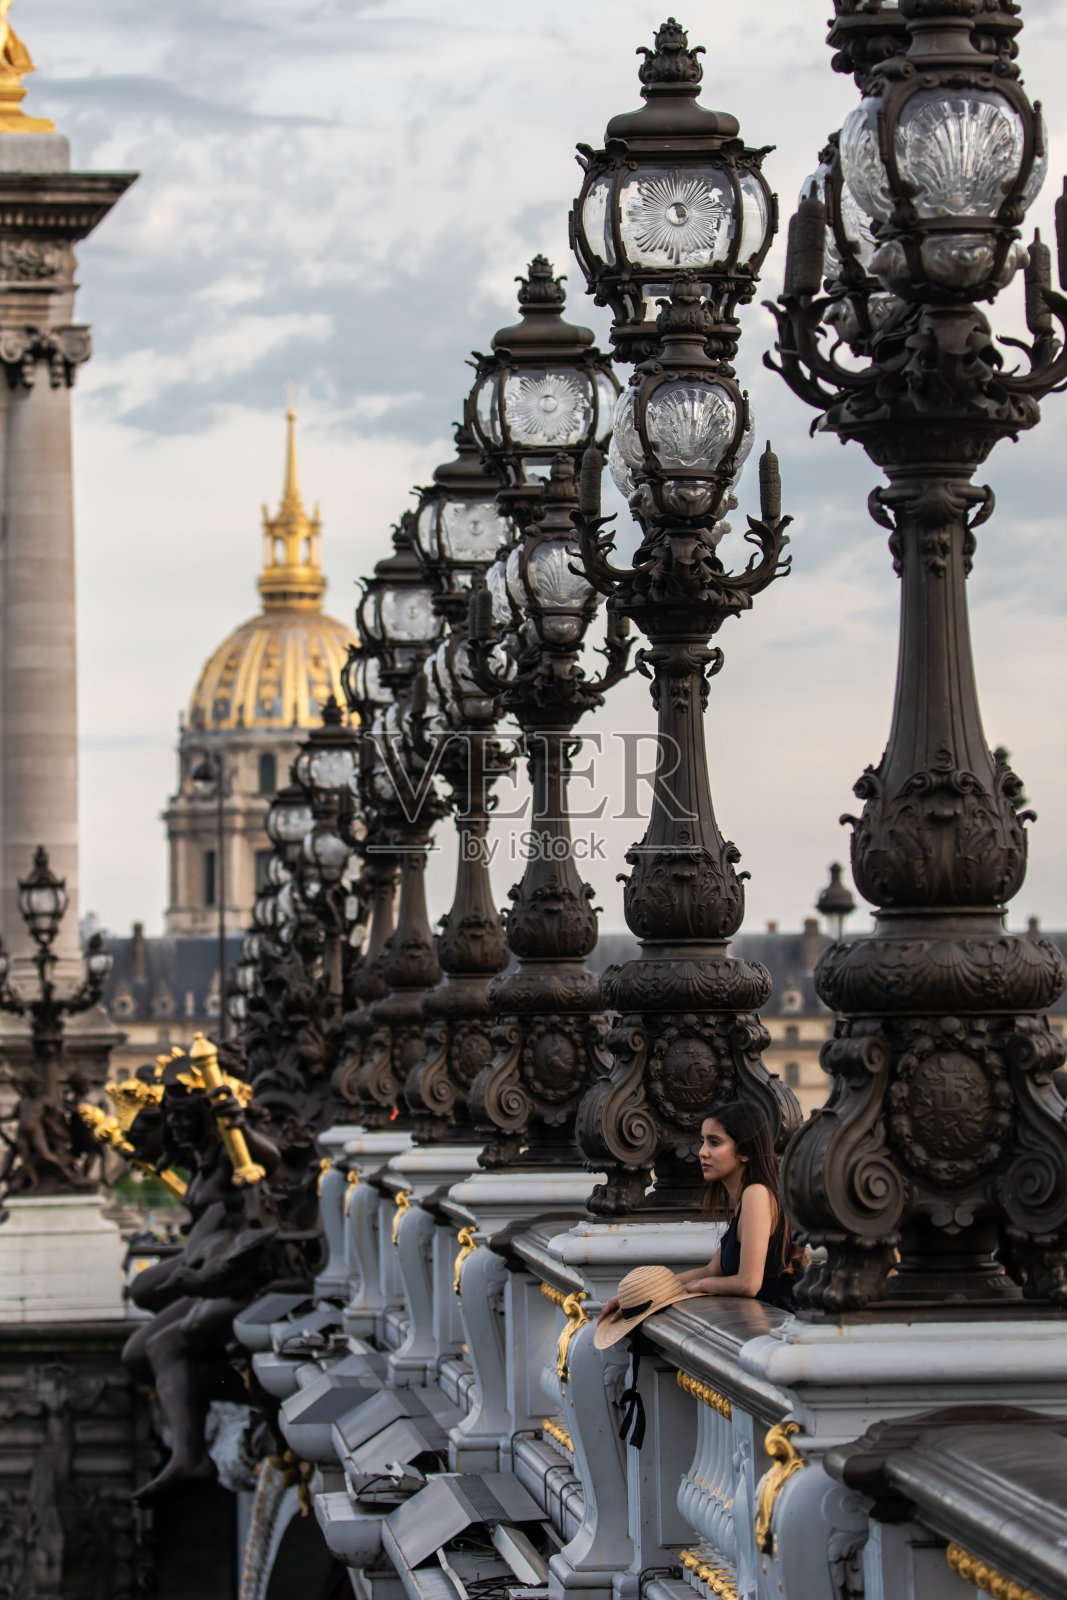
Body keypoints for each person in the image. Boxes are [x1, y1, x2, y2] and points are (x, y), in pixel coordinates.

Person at [596, 1100, 797, 1337]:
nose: (702, 1152)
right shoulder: (747, 1197)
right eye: (703, 1141)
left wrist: (699, 1288)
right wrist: (641, 1294)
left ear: (744, 1151)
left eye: (715, 1142)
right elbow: (713, 1270)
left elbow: (748, 1283)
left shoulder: (756, 1194)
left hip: (780, 1330)